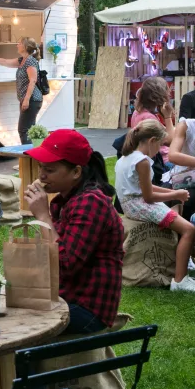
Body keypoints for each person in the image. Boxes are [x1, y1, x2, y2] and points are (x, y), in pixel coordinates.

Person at [24, 129, 124, 334]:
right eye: (41, 167)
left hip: (87, 309)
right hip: (67, 297)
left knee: (21, 325)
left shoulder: (90, 202)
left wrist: (43, 217)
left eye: (50, 170)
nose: (42, 175)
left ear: (76, 172)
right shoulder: (67, 200)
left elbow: (66, 263)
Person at [115, 120, 195, 292]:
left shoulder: (127, 157)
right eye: (161, 144)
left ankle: (183, 259)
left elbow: (146, 187)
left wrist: (175, 193)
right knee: (189, 229)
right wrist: (175, 194)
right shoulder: (142, 161)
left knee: (176, 203)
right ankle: (180, 280)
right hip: (138, 205)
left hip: (131, 203)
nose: (161, 149)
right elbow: (148, 196)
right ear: (152, 140)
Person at [0, 37, 43, 143]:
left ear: (25, 46)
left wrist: (26, 100)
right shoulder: (22, 60)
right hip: (29, 100)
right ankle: (34, 154)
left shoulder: (30, 61)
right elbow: (5, 61)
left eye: (19, 43)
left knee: (23, 129)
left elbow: (33, 81)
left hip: (32, 100)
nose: (17, 45)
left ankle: (28, 155)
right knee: (29, 129)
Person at [130, 76, 176, 142]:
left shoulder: (137, 112)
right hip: (158, 151)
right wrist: (168, 117)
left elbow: (165, 130)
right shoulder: (149, 118)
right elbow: (169, 140)